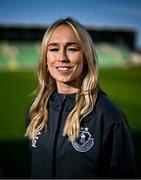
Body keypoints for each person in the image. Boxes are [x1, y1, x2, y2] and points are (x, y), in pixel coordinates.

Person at [25, 17, 137, 179]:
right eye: (54, 49)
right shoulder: (36, 113)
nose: (62, 57)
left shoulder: (108, 117)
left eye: (72, 48)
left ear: (85, 56)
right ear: (45, 58)